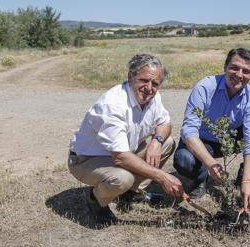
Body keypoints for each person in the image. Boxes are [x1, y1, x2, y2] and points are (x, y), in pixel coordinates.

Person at [68, 54, 187, 225]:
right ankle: (96, 200)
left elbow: (165, 123)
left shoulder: (153, 97)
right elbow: (120, 157)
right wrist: (162, 177)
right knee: (123, 178)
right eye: (144, 80)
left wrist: (157, 141)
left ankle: (131, 193)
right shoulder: (113, 104)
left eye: (155, 83)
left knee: (167, 144)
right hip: (86, 159)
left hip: (121, 152)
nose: (149, 88)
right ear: (130, 77)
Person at [173, 48, 250, 209]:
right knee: (183, 160)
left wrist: (247, 180)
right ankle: (200, 179)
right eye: (234, 67)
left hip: (229, 139)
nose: (239, 74)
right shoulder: (205, 87)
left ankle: (244, 175)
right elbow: (189, 131)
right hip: (202, 142)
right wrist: (211, 164)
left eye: (246, 71)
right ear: (225, 67)